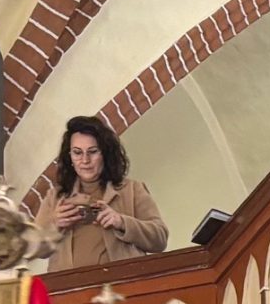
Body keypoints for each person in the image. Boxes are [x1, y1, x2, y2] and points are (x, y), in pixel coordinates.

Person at [34, 116, 170, 273]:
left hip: (123, 282)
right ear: (69, 156)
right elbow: (34, 249)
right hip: (70, 286)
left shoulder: (132, 189)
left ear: (105, 153)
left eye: (92, 152)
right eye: (77, 153)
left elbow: (160, 239)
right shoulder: (55, 197)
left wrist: (121, 222)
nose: (85, 160)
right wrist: (55, 225)